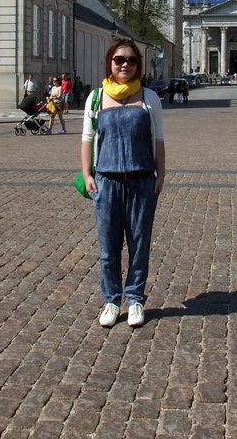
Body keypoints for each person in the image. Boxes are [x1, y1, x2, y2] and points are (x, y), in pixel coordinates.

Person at [81, 39, 165, 329]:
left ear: (138, 64)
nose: (125, 64)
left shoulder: (149, 97)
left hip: (141, 180)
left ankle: (136, 298)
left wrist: (161, 175)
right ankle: (112, 300)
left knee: (140, 245)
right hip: (107, 180)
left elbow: (158, 139)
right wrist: (87, 174)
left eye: (130, 60)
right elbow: (88, 138)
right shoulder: (96, 97)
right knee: (109, 248)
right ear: (110, 62)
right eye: (119, 59)